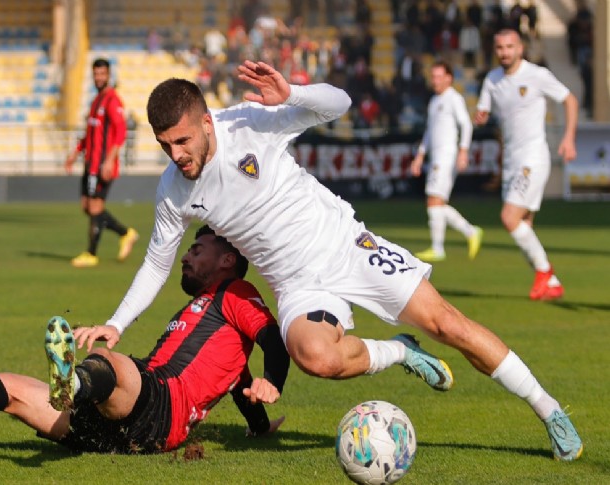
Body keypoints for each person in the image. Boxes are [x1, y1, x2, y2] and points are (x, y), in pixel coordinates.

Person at [78, 59, 583, 461]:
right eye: (166, 145)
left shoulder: (251, 124)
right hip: (297, 284)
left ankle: (548, 409)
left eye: (183, 140)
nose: (177, 155)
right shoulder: (173, 191)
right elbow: (156, 263)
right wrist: (117, 323)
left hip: (346, 246)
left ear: (207, 122)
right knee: (314, 356)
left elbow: (339, 103)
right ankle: (400, 352)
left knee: (448, 323)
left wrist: (292, 94)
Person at [0, 226, 289, 454]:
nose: (187, 254)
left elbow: (273, 340)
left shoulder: (235, 294)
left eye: (199, 249)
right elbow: (239, 382)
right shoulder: (216, 325)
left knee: (113, 361)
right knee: (10, 388)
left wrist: (275, 379)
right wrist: (259, 425)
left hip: (162, 407)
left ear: (228, 260)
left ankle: (75, 386)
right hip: (117, 431)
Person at [474, 29, 578, 301]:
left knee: (509, 218)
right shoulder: (492, 80)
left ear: (520, 48)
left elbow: (570, 100)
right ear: (494, 50)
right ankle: (552, 283)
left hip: (533, 157)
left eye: (510, 46)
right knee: (524, 226)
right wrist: (481, 116)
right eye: (500, 47)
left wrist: (568, 138)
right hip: (511, 161)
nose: (505, 52)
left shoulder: (537, 75)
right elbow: (483, 112)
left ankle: (545, 272)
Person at [64, 58, 138, 268]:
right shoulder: (95, 102)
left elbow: (121, 132)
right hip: (90, 164)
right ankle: (125, 233)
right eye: (96, 74)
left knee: (95, 207)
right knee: (87, 206)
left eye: (102, 74)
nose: (99, 77)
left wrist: (109, 160)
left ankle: (91, 253)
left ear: (108, 75)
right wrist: (75, 154)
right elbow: (89, 135)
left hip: (103, 165)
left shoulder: (113, 101)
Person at [411, 61, 483, 263]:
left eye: (439, 76)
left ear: (449, 78)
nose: (435, 80)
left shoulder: (454, 98)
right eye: (433, 76)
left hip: (447, 155)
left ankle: (441, 246)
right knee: (438, 202)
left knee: (434, 200)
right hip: (436, 156)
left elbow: (466, 125)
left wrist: (463, 151)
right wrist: (420, 156)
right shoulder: (435, 101)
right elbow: (429, 132)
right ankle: (469, 232)